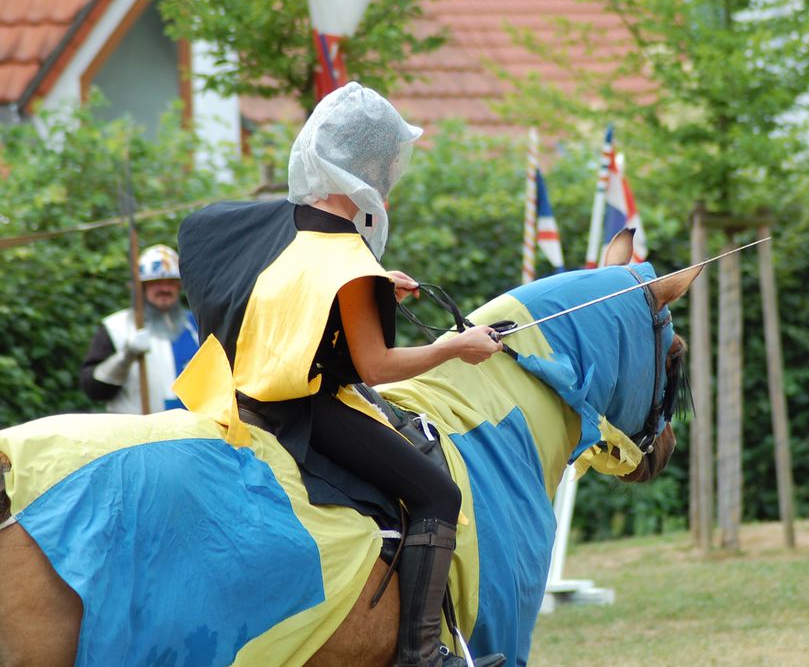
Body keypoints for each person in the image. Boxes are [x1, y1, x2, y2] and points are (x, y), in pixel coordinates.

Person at [173, 82, 505, 667]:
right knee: (438, 492)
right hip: (304, 414)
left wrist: (374, 282)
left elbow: (270, 272)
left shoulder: (264, 225)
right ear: (374, 168)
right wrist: (455, 347)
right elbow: (376, 367)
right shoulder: (349, 263)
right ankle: (422, 654)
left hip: (234, 395)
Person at [79, 244, 200, 414]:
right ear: (142, 287)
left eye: (171, 282)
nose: (165, 289)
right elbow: (93, 389)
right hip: (139, 434)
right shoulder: (116, 327)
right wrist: (125, 358)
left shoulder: (198, 324)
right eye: (156, 282)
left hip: (193, 434)